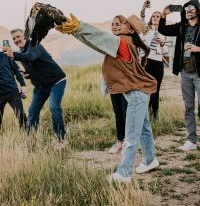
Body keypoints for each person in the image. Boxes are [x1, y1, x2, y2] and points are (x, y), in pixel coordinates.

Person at [56, 13, 159, 182]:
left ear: (130, 29)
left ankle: (124, 173)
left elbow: (99, 38)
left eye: (124, 23)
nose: (120, 25)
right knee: (144, 129)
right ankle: (150, 160)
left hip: (136, 95)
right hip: (138, 93)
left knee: (131, 135)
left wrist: (78, 27)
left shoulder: (123, 42)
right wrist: (74, 32)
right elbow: (98, 44)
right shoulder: (125, 42)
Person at [4, 29, 67, 142]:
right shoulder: (22, 50)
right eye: (14, 38)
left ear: (25, 35)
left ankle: (61, 140)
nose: (16, 40)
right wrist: (29, 74)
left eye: (18, 36)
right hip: (40, 87)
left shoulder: (34, 44)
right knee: (32, 112)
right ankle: (31, 139)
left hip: (56, 82)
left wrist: (13, 55)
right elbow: (33, 65)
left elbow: (31, 56)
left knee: (54, 107)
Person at [158, 0, 200, 151]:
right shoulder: (182, 27)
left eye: (192, 7)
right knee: (188, 107)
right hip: (185, 73)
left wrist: (198, 49)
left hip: (199, 74)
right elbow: (163, 30)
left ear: (198, 10)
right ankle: (191, 141)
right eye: (187, 8)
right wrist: (164, 14)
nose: (189, 10)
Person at [140, 1, 169, 119]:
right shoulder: (146, 30)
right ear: (151, 18)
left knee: (156, 90)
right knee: (145, 90)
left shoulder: (164, 32)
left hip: (158, 64)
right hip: (147, 62)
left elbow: (166, 52)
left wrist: (162, 43)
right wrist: (143, 9)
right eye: (153, 16)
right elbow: (141, 21)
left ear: (161, 19)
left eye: (158, 16)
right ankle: (144, 115)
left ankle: (154, 116)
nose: (155, 18)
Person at [107, 15, 127, 154]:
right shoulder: (110, 41)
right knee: (118, 113)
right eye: (113, 24)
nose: (114, 26)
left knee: (127, 113)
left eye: (117, 24)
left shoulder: (125, 41)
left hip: (125, 83)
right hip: (113, 84)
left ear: (123, 25)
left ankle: (128, 142)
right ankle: (119, 141)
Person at [0, 48, 27, 129]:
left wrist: (23, 85)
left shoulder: (5, 56)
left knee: (21, 116)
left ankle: (29, 137)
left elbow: (16, 70)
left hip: (12, 92)